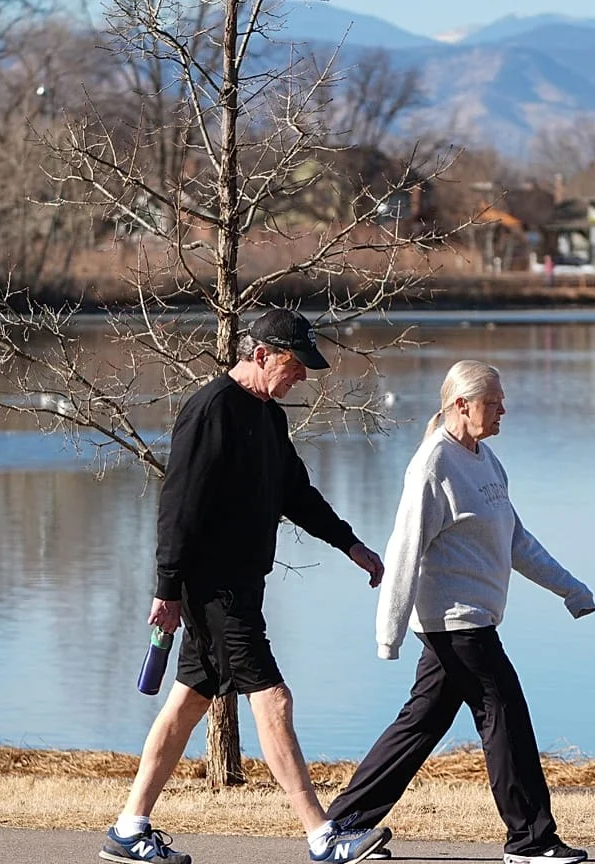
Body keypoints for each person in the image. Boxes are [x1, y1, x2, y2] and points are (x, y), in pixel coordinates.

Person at [99, 308, 393, 864]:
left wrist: (351, 545)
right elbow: (178, 506)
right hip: (214, 588)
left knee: (188, 702)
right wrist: (167, 587)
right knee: (273, 696)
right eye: (295, 363)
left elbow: (296, 494)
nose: (303, 374)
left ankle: (129, 828)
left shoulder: (269, 417)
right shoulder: (211, 411)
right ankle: (322, 836)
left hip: (240, 584)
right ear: (260, 354)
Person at [324, 360, 595, 864]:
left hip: (474, 619)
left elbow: (515, 540)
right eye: (494, 403)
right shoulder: (433, 465)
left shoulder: (486, 461)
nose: (503, 411)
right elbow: (405, 548)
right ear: (461, 405)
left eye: (502, 401)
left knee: (421, 724)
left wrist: (570, 589)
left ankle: (342, 824)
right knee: (505, 715)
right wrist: (389, 633)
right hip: (455, 622)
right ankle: (530, 840)